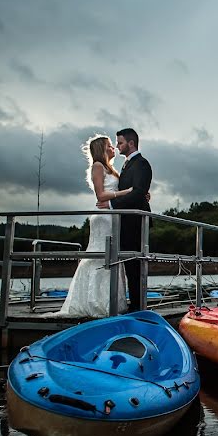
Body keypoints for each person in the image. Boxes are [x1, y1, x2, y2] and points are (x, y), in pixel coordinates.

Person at [57, 134, 131, 317]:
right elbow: (101, 195)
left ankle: (110, 301)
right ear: (102, 149)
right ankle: (94, 302)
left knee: (112, 254)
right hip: (103, 216)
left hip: (113, 215)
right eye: (109, 146)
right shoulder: (97, 167)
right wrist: (128, 192)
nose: (113, 147)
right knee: (100, 254)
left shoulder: (110, 169)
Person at [106, 127, 152, 312]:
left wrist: (112, 205)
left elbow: (139, 192)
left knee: (134, 264)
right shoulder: (126, 164)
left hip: (135, 222)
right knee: (128, 263)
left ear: (131, 143)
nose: (117, 146)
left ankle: (138, 306)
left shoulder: (141, 164)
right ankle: (134, 303)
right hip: (125, 221)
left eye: (120, 143)